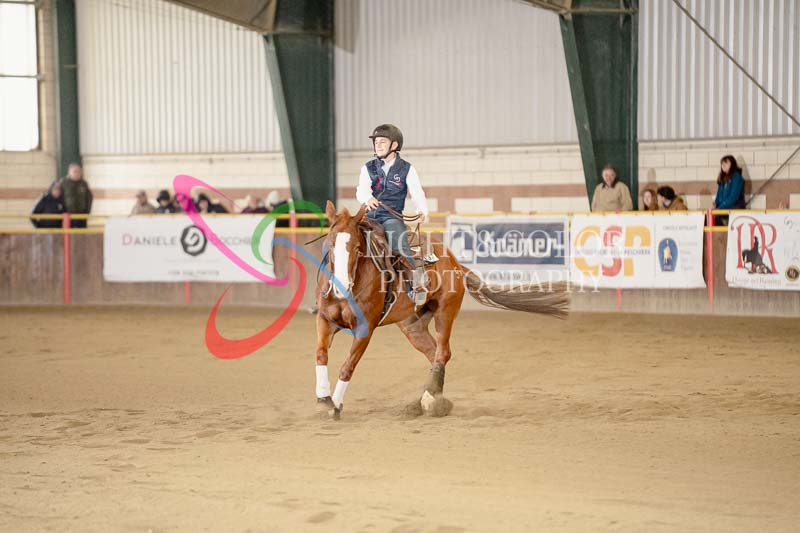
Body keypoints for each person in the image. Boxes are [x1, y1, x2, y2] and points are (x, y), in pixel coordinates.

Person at [356, 124, 430, 305]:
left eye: (383, 142)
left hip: (391, 217)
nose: (378, 145)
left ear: (394, 145)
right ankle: (332, 283)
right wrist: (367, 198)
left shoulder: (407, 169)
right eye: (376, 142)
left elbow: (417, 192)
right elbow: (361, 189)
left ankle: (415, 283)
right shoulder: (368, 167)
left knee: (400, 244)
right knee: (340, 239)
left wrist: (422, 210)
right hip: (369, 216)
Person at [713, 154, 746, 226]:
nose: (723, 165)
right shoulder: (722, 178)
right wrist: (715, 204)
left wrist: (720, 208)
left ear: (732, 164)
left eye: (726, 162)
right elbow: (718, 195)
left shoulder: (737, 177)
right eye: (722, 163)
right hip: (723, 210)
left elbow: (733, 197)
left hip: (734, 209)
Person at [60, 162, 93, 228]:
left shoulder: (84, 183)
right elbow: (59, 198)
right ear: (69, 172)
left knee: (81, 233)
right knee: (69, 233)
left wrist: (87, 212)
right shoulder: (63, 183)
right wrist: (63, 211)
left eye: (79, 171)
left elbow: (89, 198)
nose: (77, 173)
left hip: (81, 215)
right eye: (75, 171)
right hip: (68, 216)